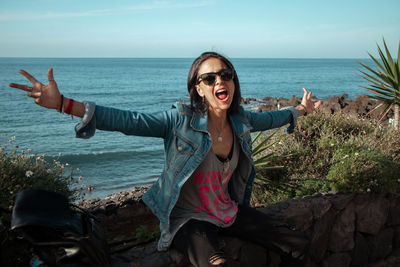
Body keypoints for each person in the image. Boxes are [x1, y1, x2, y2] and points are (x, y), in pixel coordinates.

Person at [10, 52, 322, 266]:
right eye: (209, 78)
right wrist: (65, 104)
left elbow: (274, 118)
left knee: (296, 242)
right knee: (216, 263)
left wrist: (301, 110)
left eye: (225, 75)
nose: (219, 82)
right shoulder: (179, 122)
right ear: (198, 88)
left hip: (228, 211)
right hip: (188, 218)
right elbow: (129, 120)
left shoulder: (241, 120)